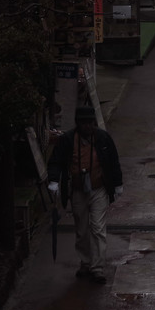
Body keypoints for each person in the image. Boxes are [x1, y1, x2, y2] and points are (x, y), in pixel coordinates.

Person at [47, 103, 122, 284]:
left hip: (99, 189)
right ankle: (85, 262)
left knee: (97, 227)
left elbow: (113, 162)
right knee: (81, 229)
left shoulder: (103, 139)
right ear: (78, 124)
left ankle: (97, 267)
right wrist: (54, 181)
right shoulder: (67, 140)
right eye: (84, 123)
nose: (87, 126)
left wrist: (118, 185)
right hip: (78, 190)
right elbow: (56, 161)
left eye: (90, 123)